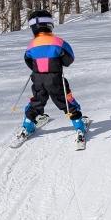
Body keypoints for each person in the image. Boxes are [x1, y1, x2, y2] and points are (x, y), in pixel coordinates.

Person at [21, 9, 87, 139]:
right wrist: (57, 62)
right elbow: (69, 58)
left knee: (37, 100)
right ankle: (78, 125)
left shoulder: (31, 45)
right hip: (55, 79)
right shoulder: (58, 42)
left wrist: (38, 68)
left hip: (38, 79)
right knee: (65, 100)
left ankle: (27, 124)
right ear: (50, 25)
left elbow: (28, 60)